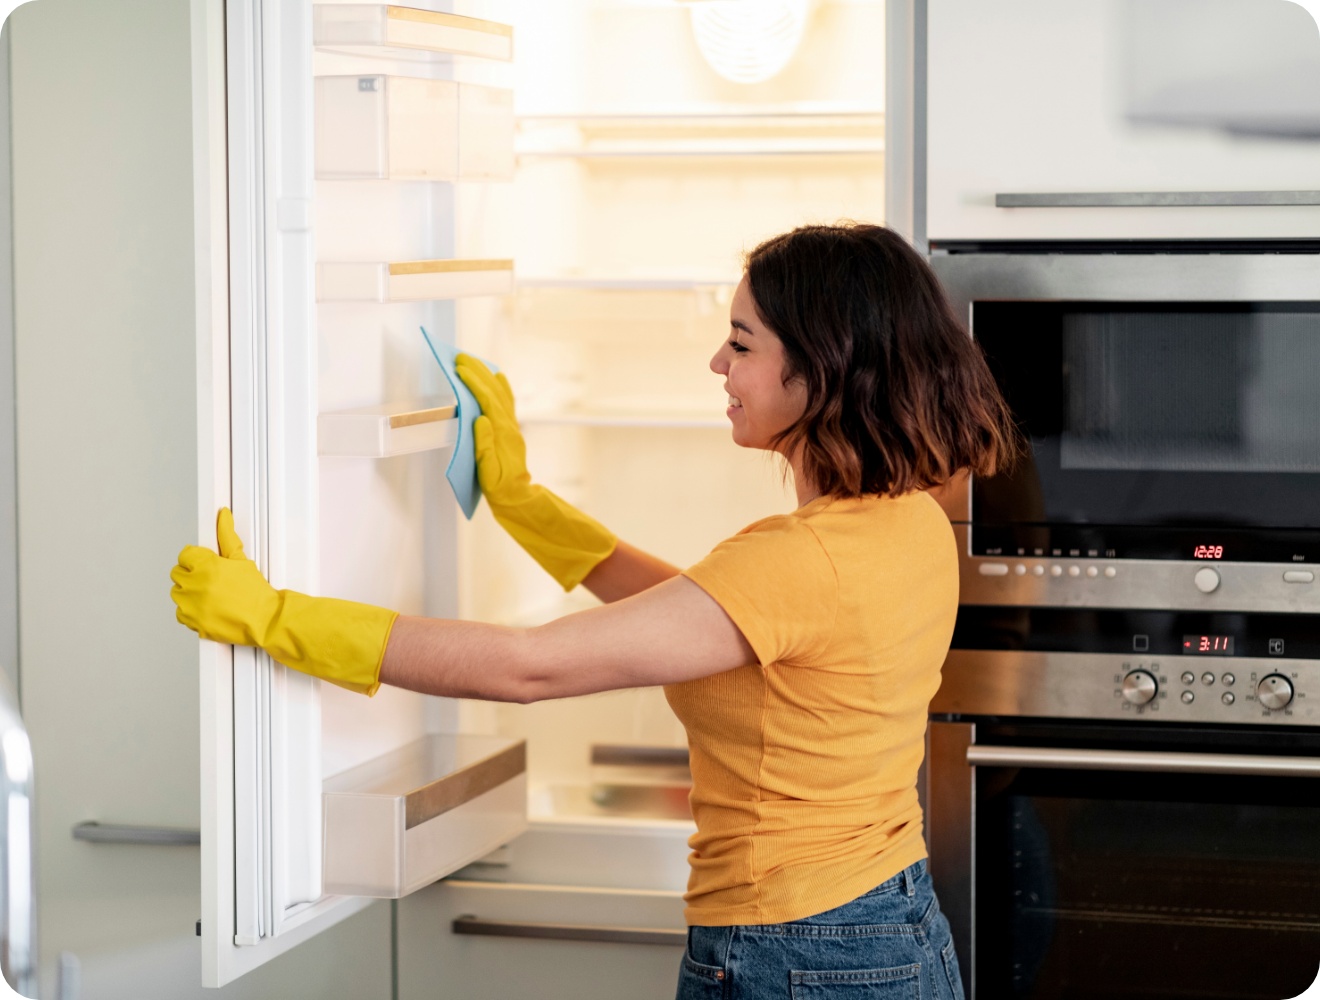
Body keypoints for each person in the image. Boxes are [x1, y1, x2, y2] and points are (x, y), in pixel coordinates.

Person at [171, 223, 1018, 1000]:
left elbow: (528, 666)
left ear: (823, 367)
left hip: (795, 945)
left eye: (740, 342)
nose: (717, 365)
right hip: (887, 923)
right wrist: (521, 500)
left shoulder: (803, 559)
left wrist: (277, 617)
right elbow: (702, 611)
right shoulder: (906, 519)